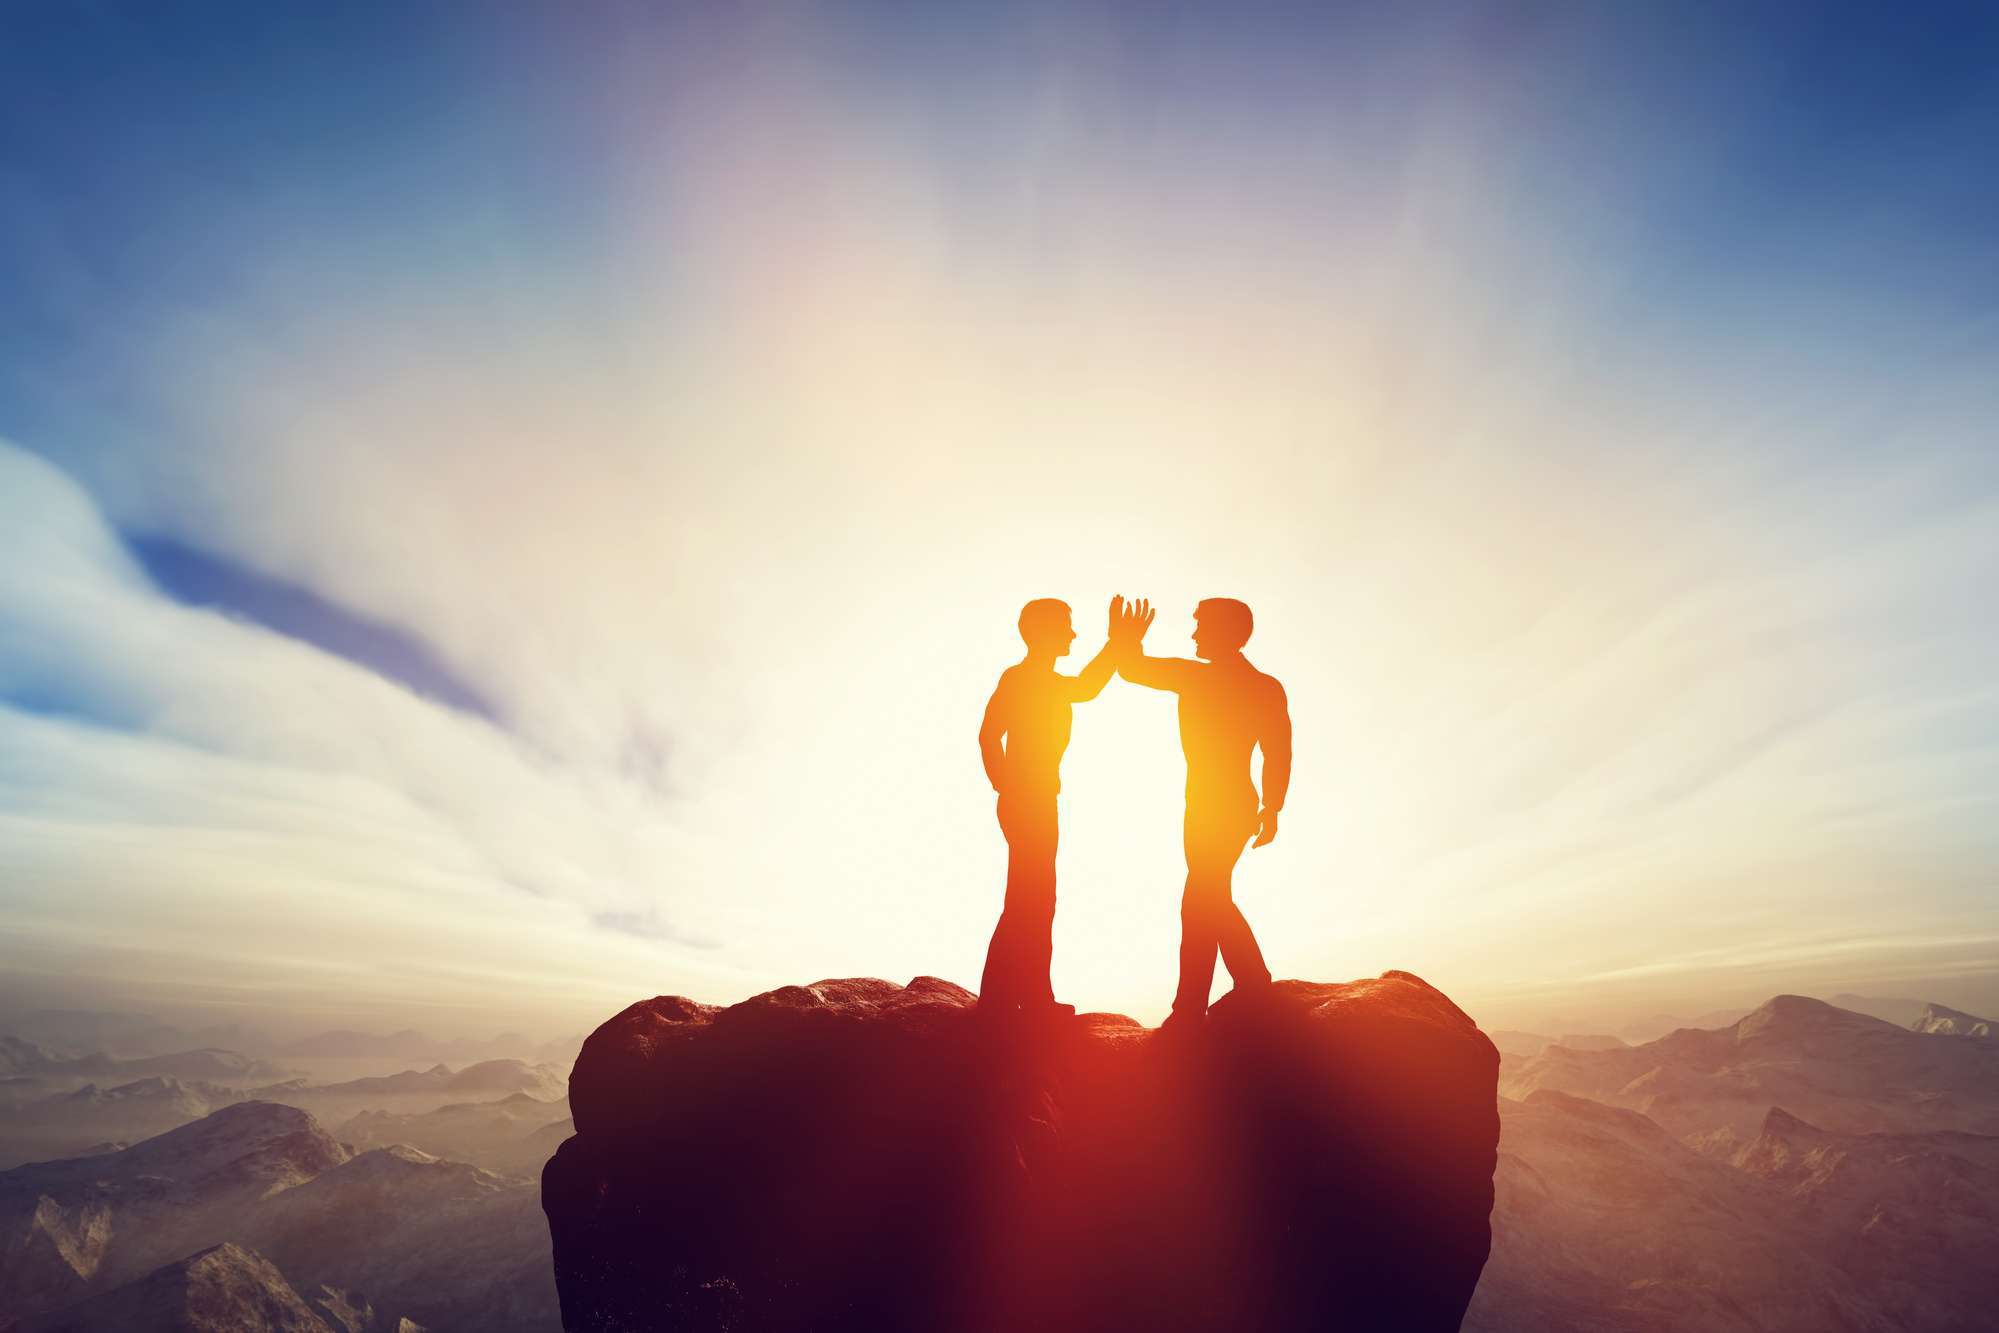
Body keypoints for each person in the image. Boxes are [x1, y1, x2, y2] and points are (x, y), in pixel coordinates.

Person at [1114, 597, 1290, 1029]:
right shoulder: (1258, 685)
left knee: (1201, 899)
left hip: (1218, 806)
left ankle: (1199, 1003)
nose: (1193, 635)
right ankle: (1245, 983)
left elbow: (1277, 751)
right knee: (1208, 897)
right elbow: (1277, 752)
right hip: (1220, 805)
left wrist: (1123, 641)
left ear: (1226, 631)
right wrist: (1271, 806)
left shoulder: (1201, 678)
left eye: (1200, 626)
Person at [978, 596, 1133, 1018]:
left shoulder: (1045, 680)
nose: (1072, 633)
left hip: (1037, 797)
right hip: (1027, 800)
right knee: (1033, 899)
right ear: (1042, 632)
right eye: (1066, 625)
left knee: (1031, 900)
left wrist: (1117, 645)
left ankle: (1010, 996)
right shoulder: (1021, 678)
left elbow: (1085, 687)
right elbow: (989, 735)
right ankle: (1021, 999)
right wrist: (1006, 784)